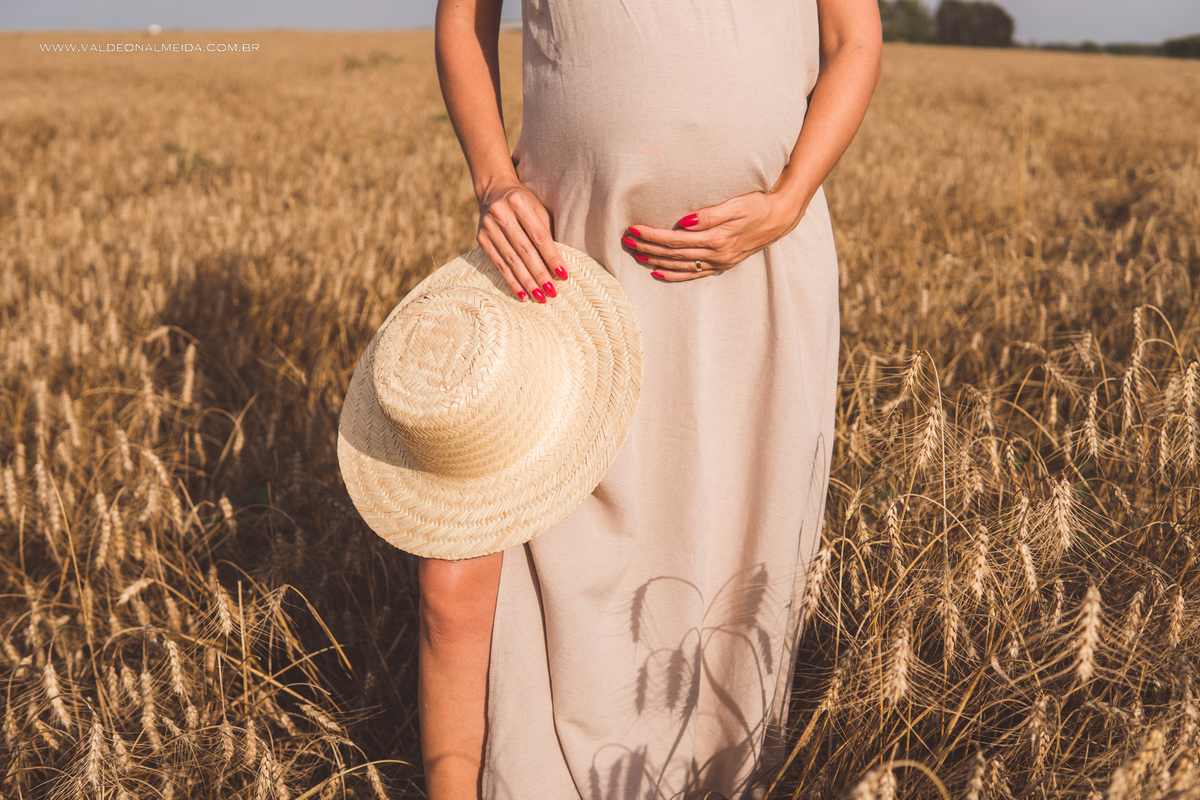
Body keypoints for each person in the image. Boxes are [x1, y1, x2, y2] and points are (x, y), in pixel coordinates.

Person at [424, 0, 882, 797]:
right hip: (566, 258)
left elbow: (854, 40)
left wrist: (789, 200)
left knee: (735, 536)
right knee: (535, 529)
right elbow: (463, 21)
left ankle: (701, 779)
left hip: (759, 264)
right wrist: (495, 180)